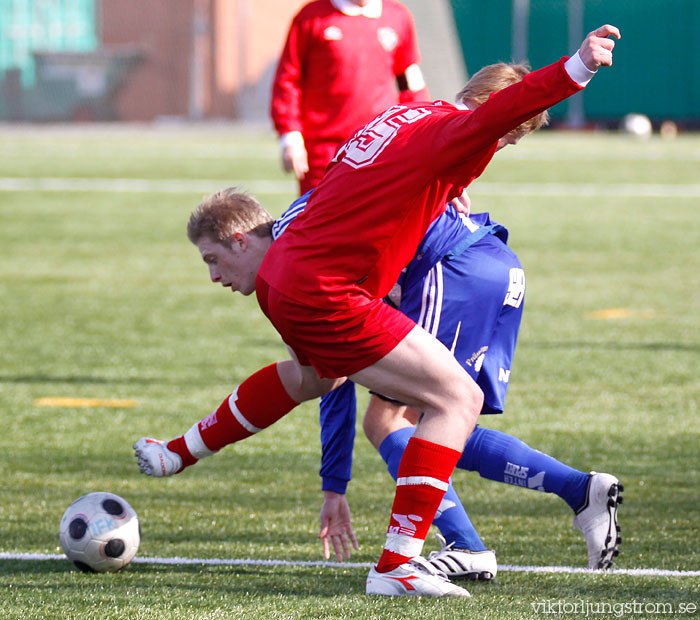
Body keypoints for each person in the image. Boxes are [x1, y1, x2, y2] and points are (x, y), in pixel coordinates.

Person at [135, 26, 621, 598]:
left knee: (318, 379)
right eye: (505, 140)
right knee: (449, 401)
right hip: (351, 285)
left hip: (296, 284)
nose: (497, 147)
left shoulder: (403, 118)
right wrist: (577, 69)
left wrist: (445, 184)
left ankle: (179, 453)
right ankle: (402, 563)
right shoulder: (454, 131)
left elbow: (375, 177)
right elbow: (491, 118)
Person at [313, 198, 623, 576]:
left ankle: (468, 543)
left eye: (216, 258)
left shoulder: (298, 272)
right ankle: (578, 491)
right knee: (442, 417)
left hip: (452, 267)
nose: (217, 278)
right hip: (492, 260)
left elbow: (330, 379)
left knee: (389, 419)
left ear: (244, 241)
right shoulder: (308, 232)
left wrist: (334, 487)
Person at [270, 0, 429, 194]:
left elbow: (409, 82)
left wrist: (421, 132)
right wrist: (290, 136)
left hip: (382, 147)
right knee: (320, 222)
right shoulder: (311, 17)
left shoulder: (398, 16)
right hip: (325, 153)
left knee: (378, 220)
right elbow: (288, 79)